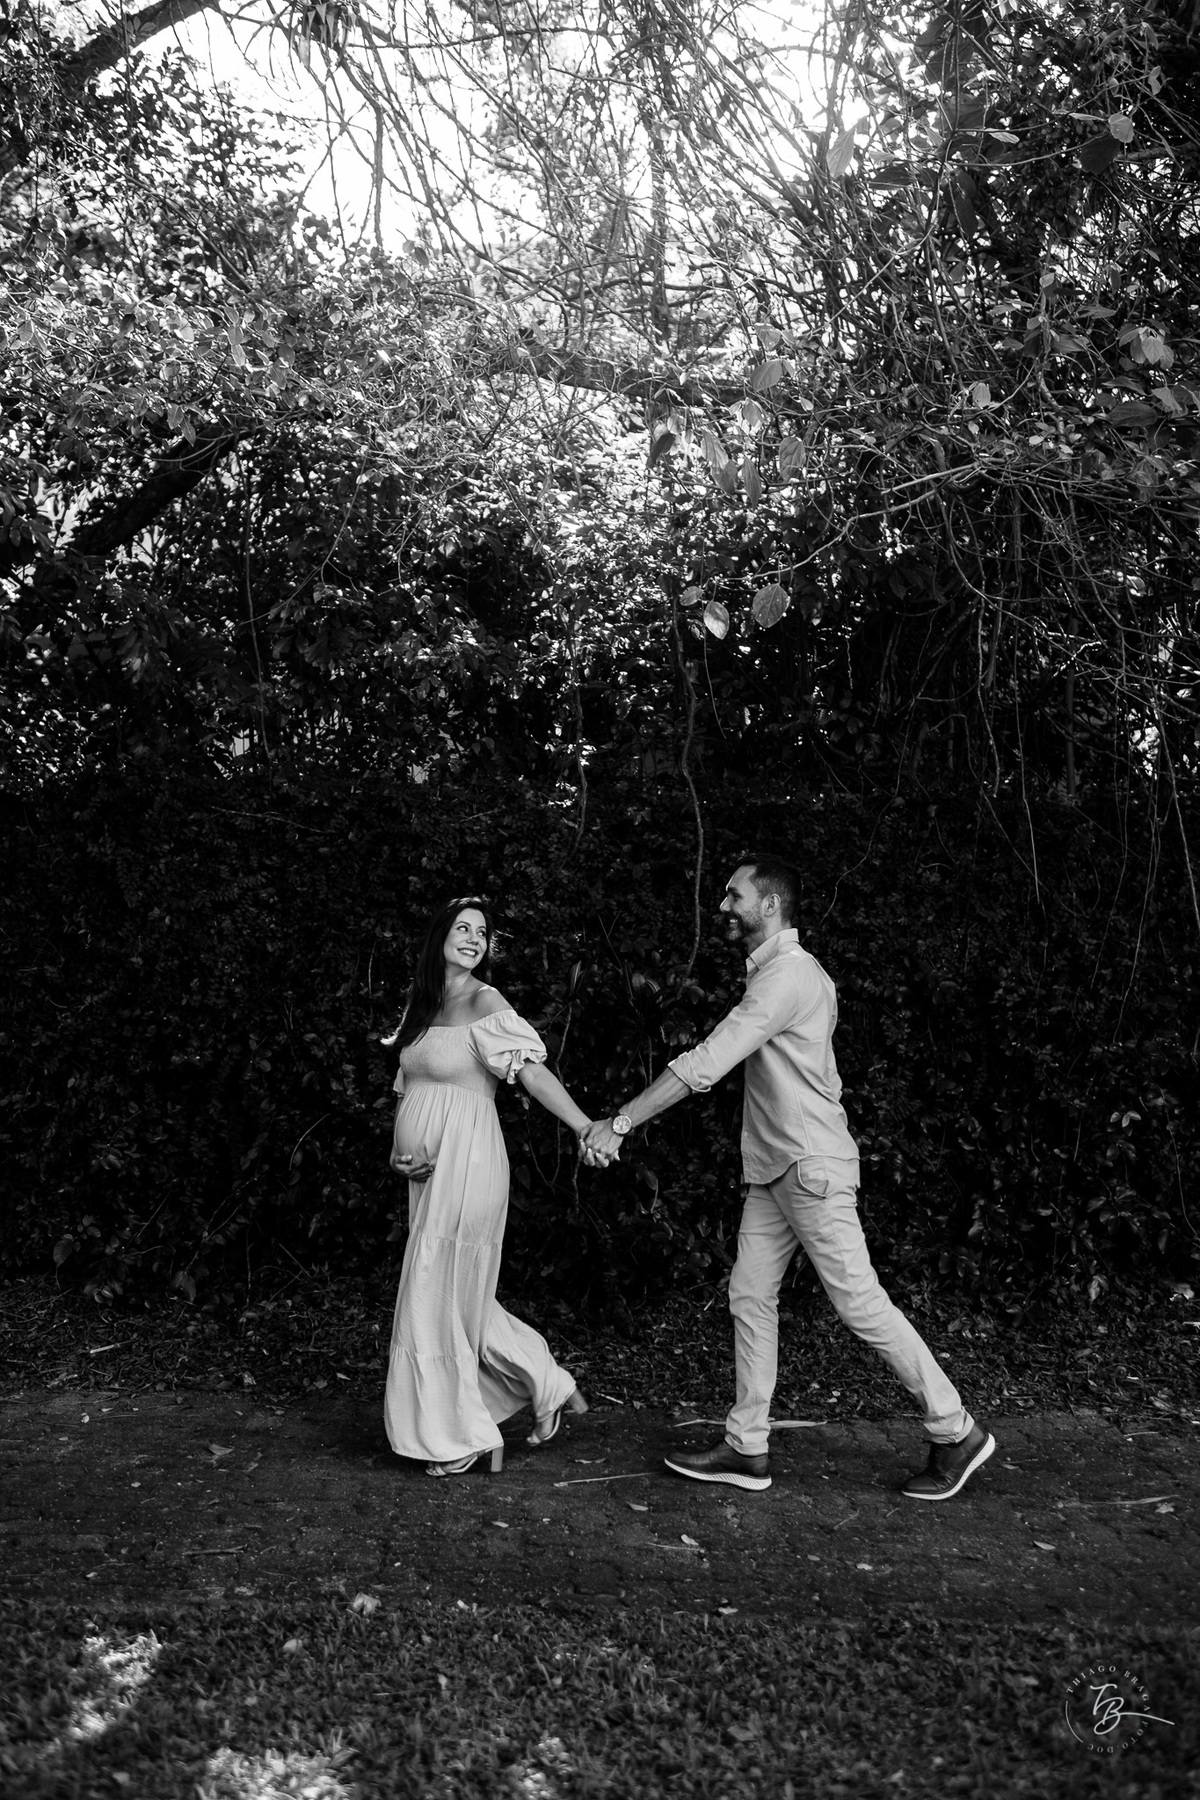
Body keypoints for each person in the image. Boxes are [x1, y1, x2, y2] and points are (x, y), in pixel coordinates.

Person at [581, 855, 995, 1499]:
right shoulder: (774, 974)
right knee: (749, 1294)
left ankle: (955, 1429)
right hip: (777, 1171)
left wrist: (621, 1122)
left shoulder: (789, 977)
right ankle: (747, 1448)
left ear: (768, 905)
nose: (722, 905)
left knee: (860, 1304)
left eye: (733, 895)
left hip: (810, 1167)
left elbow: (707, 1061)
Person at [384, 896, 594, 1477]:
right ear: (439, 935)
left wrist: (584, 1127)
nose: (475, 938)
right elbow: (410, 1089)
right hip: (424, 1176)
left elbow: (529, 1070)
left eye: (483, 932)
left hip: (470, 1164)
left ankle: (461, 1437)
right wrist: (399, 1155)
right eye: (463, 928)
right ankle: (548, 1385)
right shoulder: (422, 1005)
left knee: (434, 1294)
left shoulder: (486, 1001)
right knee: (457, 1296)